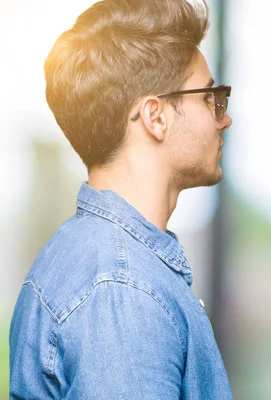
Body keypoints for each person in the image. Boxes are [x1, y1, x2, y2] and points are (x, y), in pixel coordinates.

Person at [9, 0, 233, 398]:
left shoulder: (103, 268)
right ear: (155, 116)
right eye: (208, 97)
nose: (224, 117)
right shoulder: (123, 289)